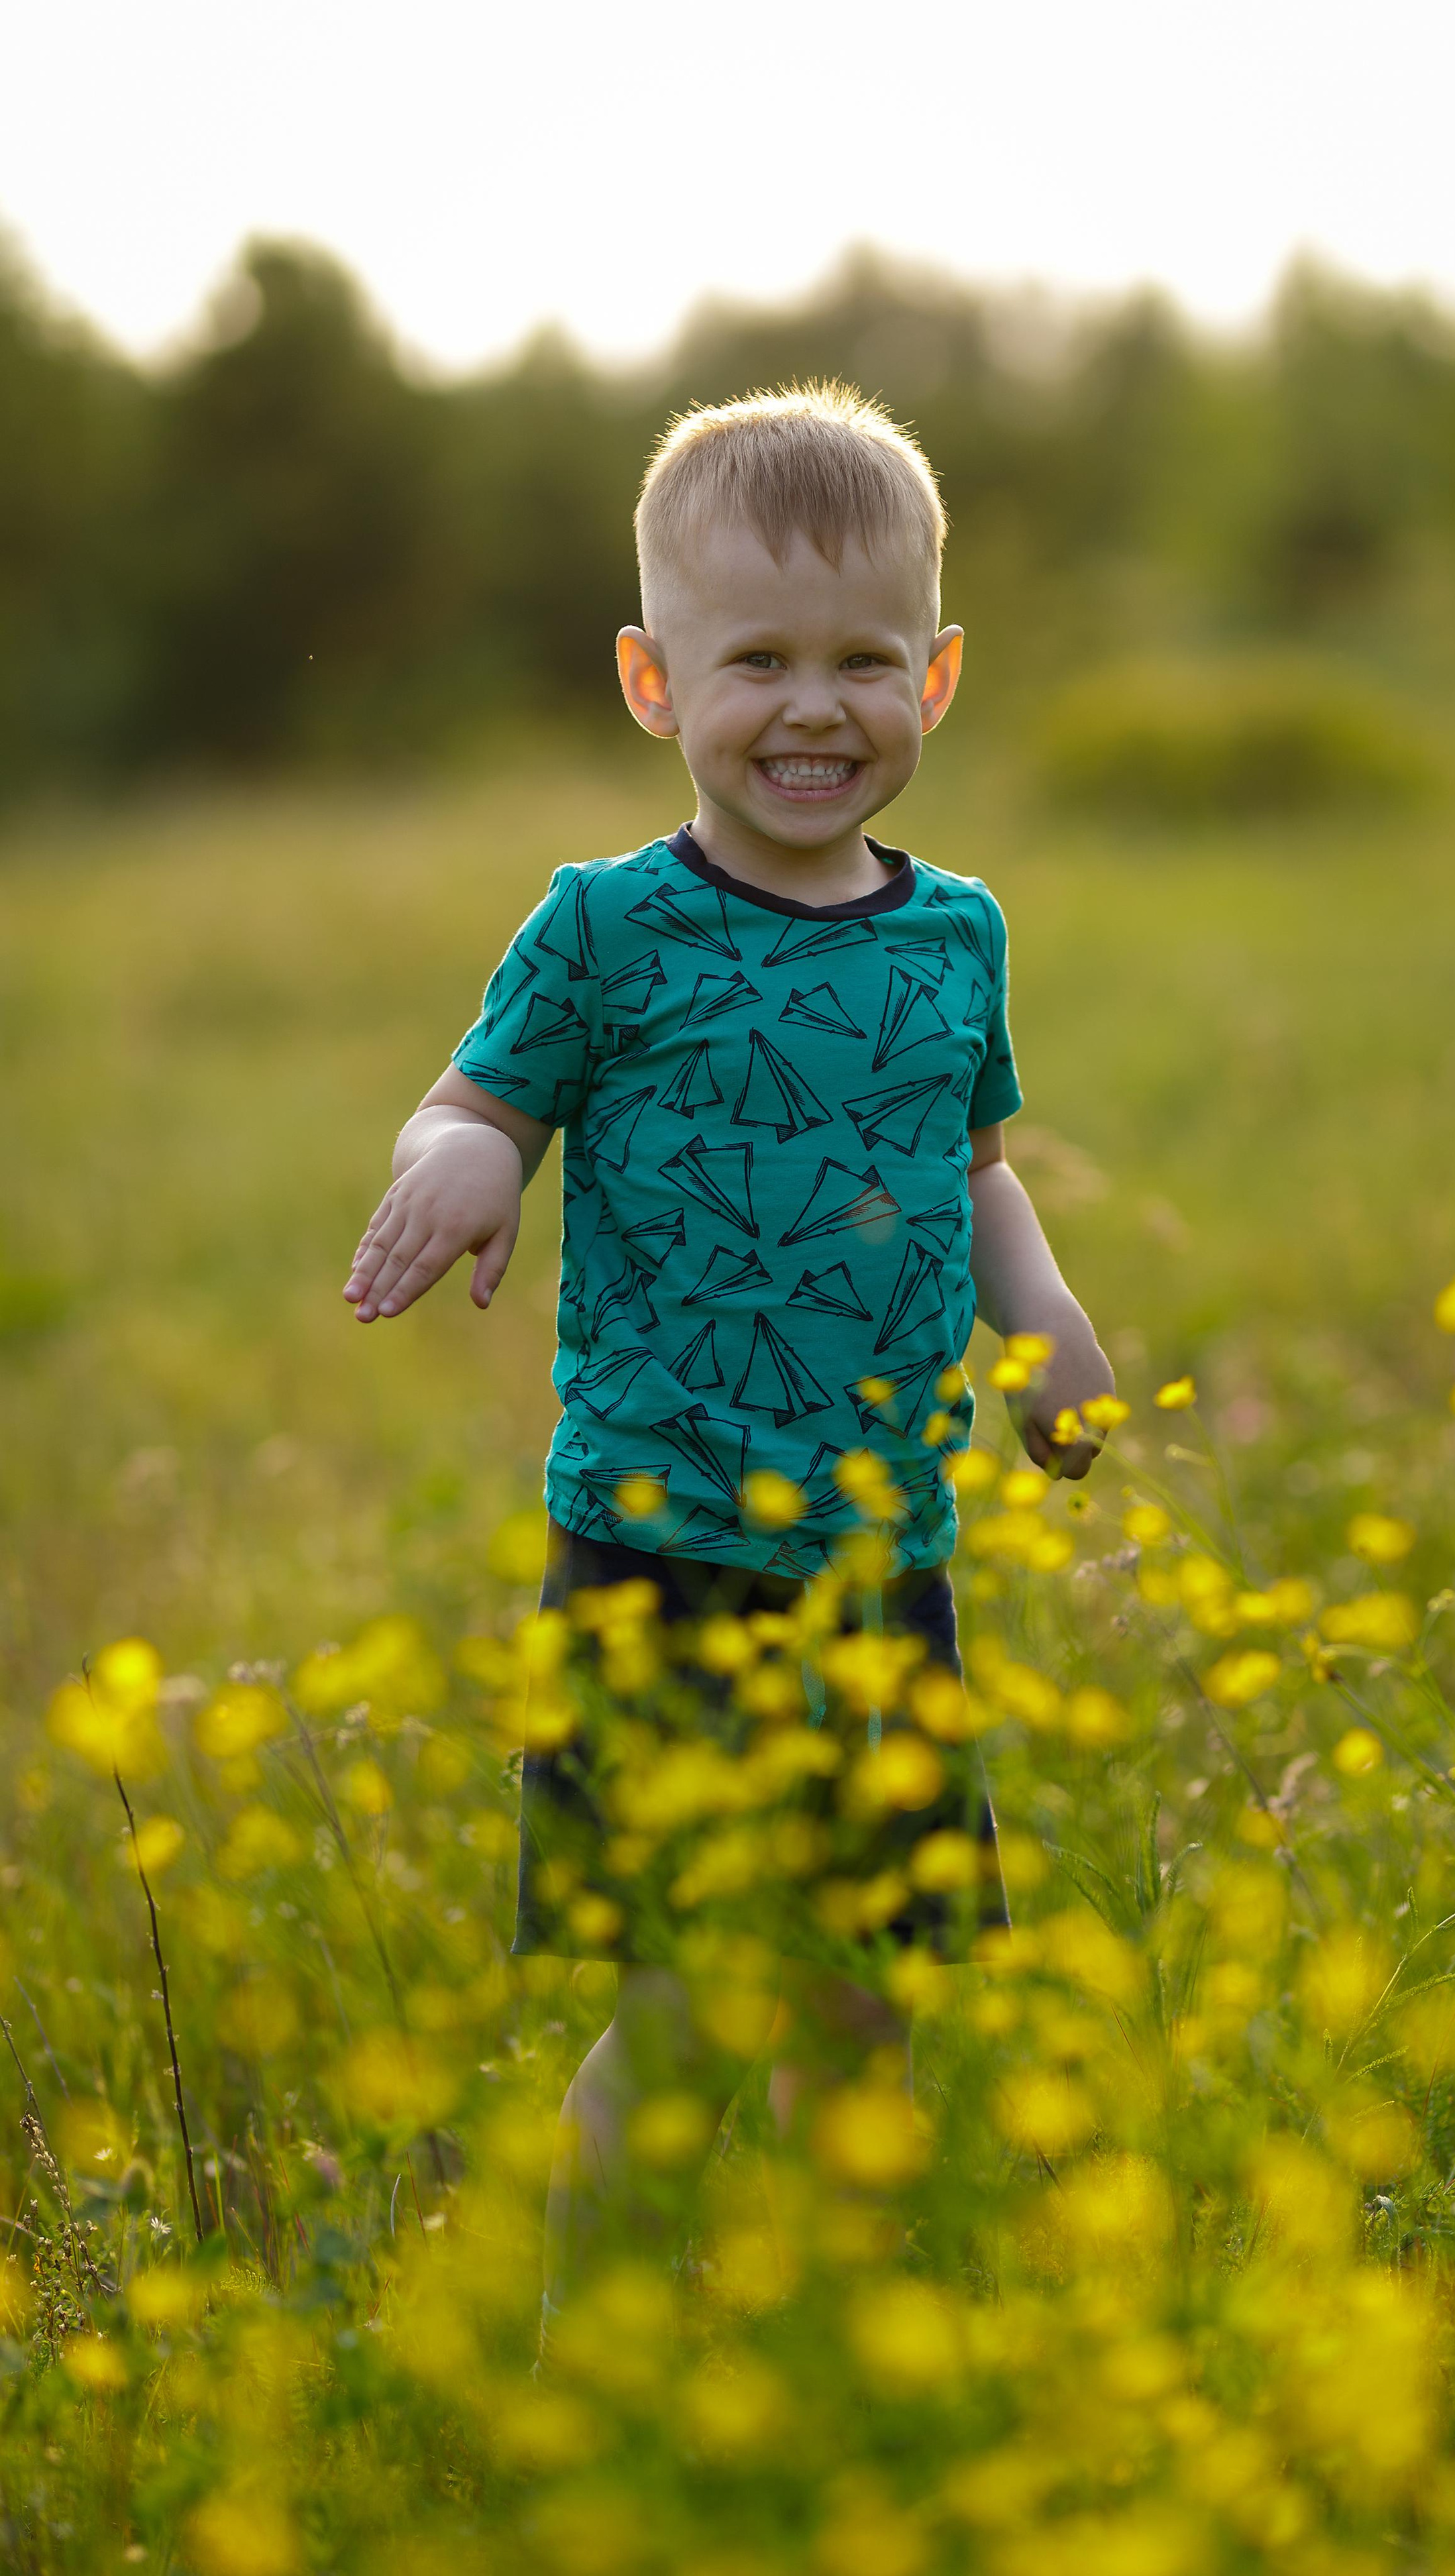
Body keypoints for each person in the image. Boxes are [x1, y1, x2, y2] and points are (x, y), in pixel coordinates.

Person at [341, 384, 1114, 2306]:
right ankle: (591, 2341)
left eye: (865, 658)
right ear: (649, 680)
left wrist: (1043, 1314)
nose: (813, 706)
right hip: (661, 1537)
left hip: (881, 1547)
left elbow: (975, 1168)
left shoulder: (955, 938)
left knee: (865, 2001)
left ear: (936, 675)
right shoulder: (604, 928)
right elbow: (477, 1100)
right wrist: (458, 1166)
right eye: (754, 657)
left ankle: (840, 2346)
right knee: (691, 2003)